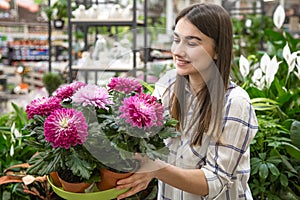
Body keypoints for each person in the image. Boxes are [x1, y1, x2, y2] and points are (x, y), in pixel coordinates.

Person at [116, 3, 258, 200]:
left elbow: (215, 181)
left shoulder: (235, 103)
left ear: (217, 50)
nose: (178, 51)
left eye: (192, 43)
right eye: (176, 40)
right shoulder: (167, 90)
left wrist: (157, 169)